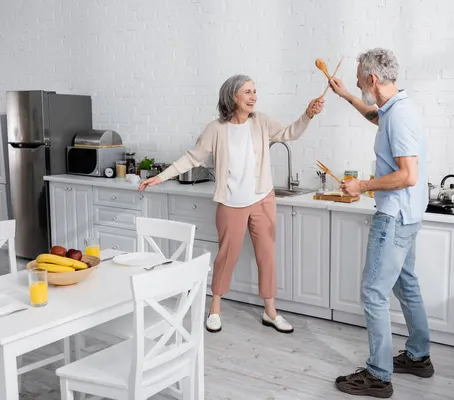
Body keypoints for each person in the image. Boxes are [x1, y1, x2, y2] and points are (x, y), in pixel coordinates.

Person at [138, 74, 324, 334]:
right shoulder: (216, 129)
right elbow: (193, 157)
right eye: (247, 92)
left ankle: (270, 312)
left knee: (267, 256)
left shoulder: (261, 121)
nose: (253, 96)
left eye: (255, 91)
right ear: (232, 96)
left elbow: (289, 133)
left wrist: (308, 114)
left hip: (262, 198)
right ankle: (215, 309)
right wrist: (161, 176)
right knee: (227, 256)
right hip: (231, 202)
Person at [329, 48, 434, 398]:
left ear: (373, 79)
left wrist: (362, 185)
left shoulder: (400, 116)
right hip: (410, 215)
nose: (358, 82)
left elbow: (407, 175)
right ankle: (418, 358)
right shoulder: (397, 109)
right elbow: (375, 116)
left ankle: (378, 374)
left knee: (373, 293)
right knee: (406, 285)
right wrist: (345, 95)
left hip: (394, 216)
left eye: (359, 79)